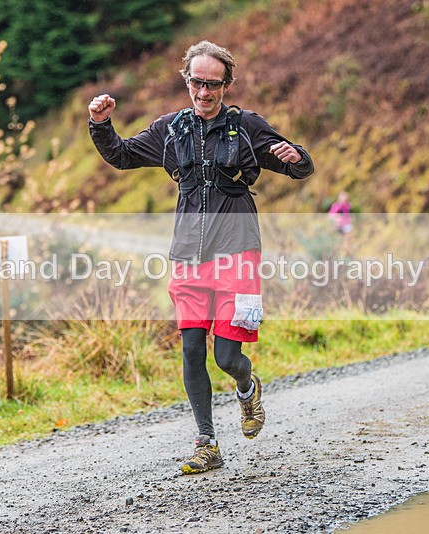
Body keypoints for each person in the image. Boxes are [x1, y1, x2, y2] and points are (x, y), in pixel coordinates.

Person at [88, 40, 314, 474]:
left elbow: (296, 166)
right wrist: (101, 124)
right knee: (192, 350)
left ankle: (247, 388)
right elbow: (122, 155)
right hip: (188, 253)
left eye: (213, 84)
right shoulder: (171, 130)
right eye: (197, 82)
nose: (204, 92)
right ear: (186, 80)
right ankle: (206, 443)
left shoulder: (246, 127)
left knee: (227, 358)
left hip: (237, 252)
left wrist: (297, 157)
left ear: (227, 85)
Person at [328, 191, 352, 256]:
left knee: (347, 238)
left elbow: (347, 215)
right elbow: (330, 215)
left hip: (346, 225)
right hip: (338, 225)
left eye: (346, 199)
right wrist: (337, 218)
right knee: (337, 241)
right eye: (344, 198)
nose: (345, 200)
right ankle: (336, 253)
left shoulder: (347, 206)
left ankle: (345, 253)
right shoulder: (336, 206)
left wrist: (350, 218)